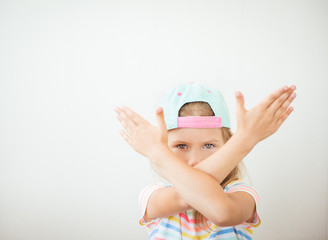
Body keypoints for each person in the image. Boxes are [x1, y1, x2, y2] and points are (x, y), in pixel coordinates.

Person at [114, 82, 296, 239]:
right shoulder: (152, 195)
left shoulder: (241, 193)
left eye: (208, 146)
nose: (195, 159)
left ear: (227, 145)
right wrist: (244, 141)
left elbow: (222, 212)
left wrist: (159, 154)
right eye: (181, 146)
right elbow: (184, 196)